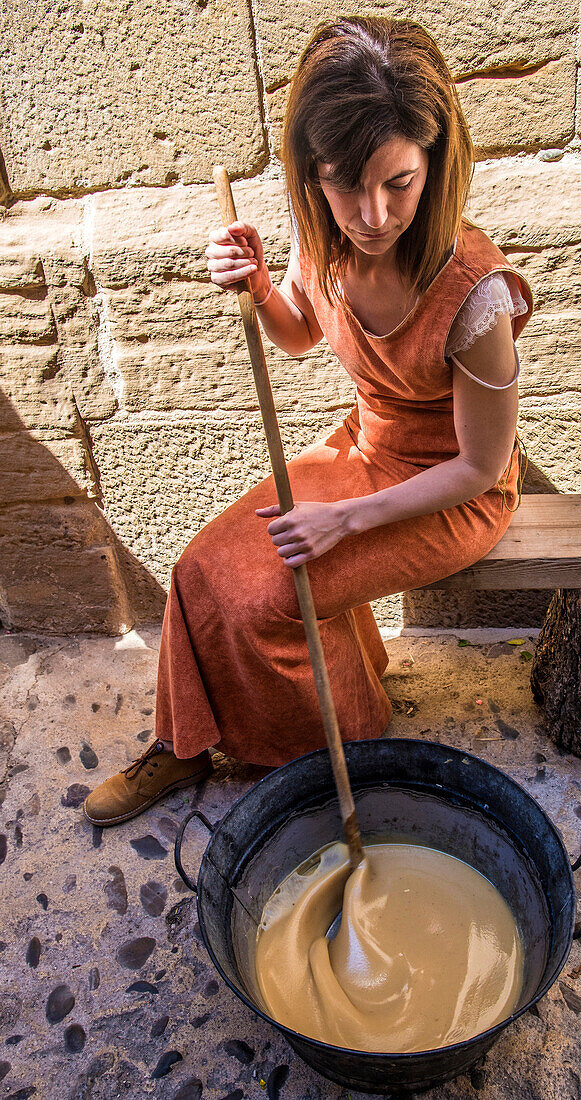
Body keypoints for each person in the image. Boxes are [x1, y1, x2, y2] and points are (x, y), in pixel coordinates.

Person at [83, 15, 533, 827]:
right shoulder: (322, 235)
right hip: (365, 451)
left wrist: (343, 519)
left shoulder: (476, 295)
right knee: (198, 569)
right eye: (344, 182)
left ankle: (338, 754)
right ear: (312, 172)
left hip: (449, 493)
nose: (371, 213)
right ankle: (185, 745)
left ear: (435, 159)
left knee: (263, 594)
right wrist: (257, 285)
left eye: (398, 181)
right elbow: (297, 333)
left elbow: (476, 467)